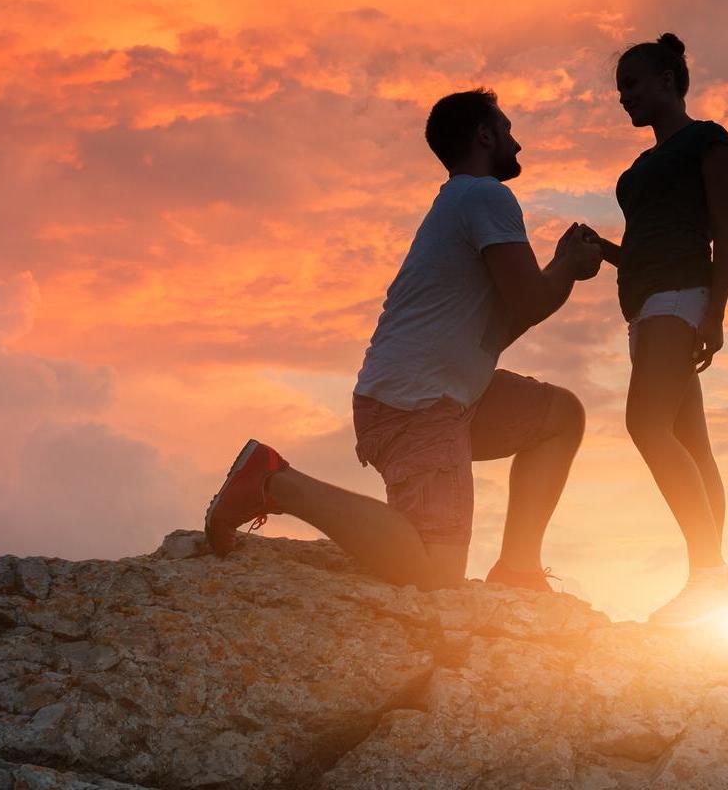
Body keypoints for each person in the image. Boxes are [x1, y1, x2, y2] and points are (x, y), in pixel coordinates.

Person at [203, 88, 602, 591]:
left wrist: (560, 268)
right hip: (417, 404)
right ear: (485, 135)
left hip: (443, 396)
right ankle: (272, 481)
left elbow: (499, 327)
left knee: (560, 418)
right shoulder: (486, 195)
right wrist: (568, 267)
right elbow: (529, 302)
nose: (517, 144)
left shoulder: (462, 202)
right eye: (508, 130)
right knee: (435, 576)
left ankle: (519, 570)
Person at [591, 33, 728, 625]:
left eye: (631, 84)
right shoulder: (637, 170)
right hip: (646, 306)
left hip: (682, 300)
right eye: (619, 89)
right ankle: (713, 581)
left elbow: (724, 233)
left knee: (644, 424)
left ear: (665, 78)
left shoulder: (708, 140)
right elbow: (641, 251)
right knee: (694, 448)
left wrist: (716, 312)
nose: (623, 97)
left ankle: (711, 576)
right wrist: (599, 247)